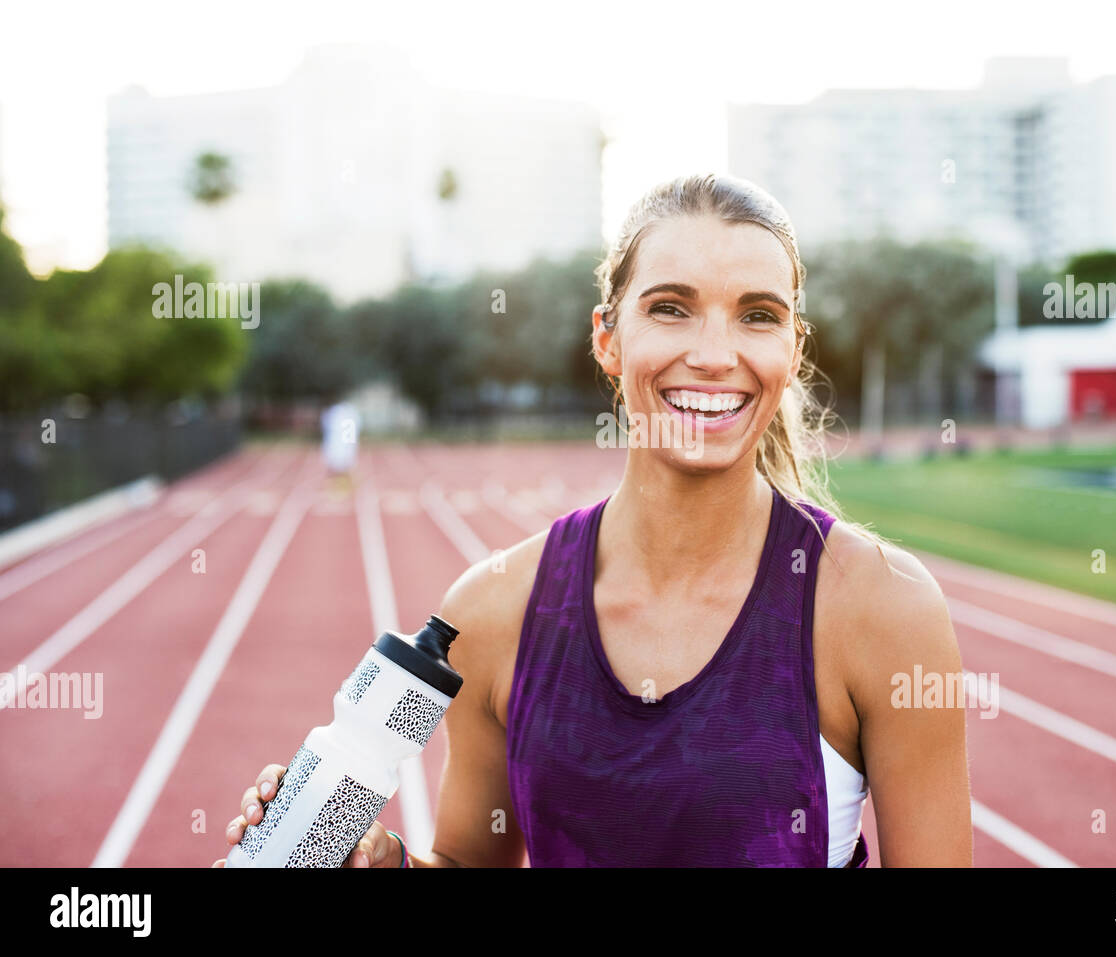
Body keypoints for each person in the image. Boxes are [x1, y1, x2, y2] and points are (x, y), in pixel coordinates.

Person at [216, 172, 973, 868]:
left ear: (793, 347)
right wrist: (385, 866)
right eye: (671, 308)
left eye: (758, 315)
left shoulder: (884, 608)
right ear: (608, 339)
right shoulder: (492, 612)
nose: (715, 353)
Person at [320, 393, 359, 488]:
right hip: (338, 442)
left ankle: (345, 483)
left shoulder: (338, 413)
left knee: (343, 463)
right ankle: (338, 483)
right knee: (338, 463)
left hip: (340, 442)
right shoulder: (345, 413)